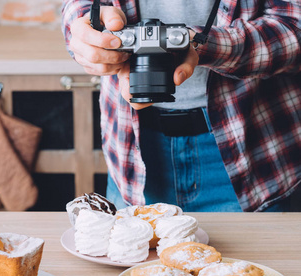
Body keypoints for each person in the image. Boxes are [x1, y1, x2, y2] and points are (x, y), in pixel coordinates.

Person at [61, 0, 301, 212]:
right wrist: (86, 30)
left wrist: (204, 44)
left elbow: (295, 25)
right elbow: (79, 8)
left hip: (254, 150)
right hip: (130, 151)